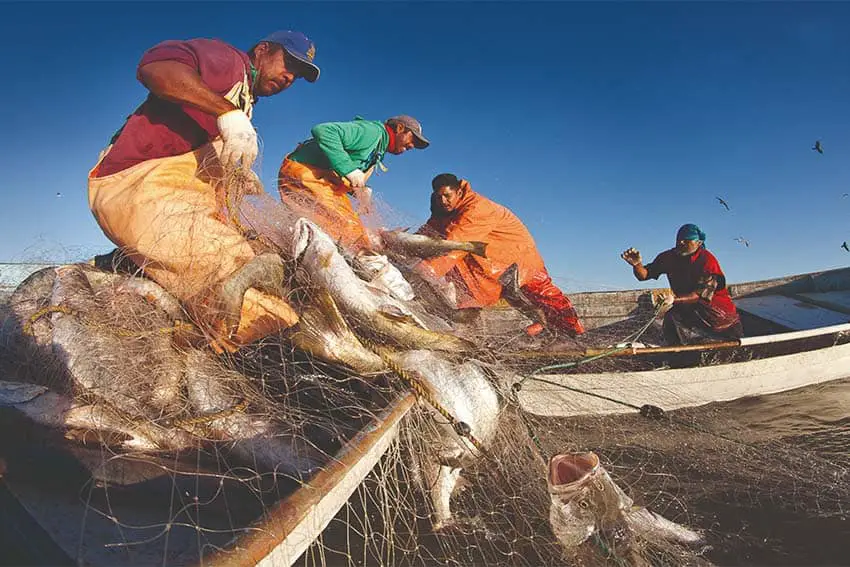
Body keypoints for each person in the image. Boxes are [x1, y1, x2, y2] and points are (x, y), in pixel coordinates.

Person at [87, 31, 320, 353]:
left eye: (298, 74)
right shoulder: (227, 61)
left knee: (264, 266)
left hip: (179, 194)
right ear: (263, 50)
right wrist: (227, 112)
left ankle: (127, 265)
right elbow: (156, 69)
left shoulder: (244, 99)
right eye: (289, 63)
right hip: (141, 184)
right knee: (249, 295)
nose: (290, 77)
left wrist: (235, 172)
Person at [414, 173, 584, 337]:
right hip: (492, 264)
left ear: (458, 192)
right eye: (438, 197)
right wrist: (401, 243)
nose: (443, 201)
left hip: (518, 257)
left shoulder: (477, 208)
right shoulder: (444, 209)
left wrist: (427, 270)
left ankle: (575, 334)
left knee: (543, 295)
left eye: (446, 195)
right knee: (516, 299)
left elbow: (456, 243)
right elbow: (431, 232)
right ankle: (545, 328)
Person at [278, 115, 429, 251]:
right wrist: (349, 170)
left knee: (356, 230)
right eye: (412, 139)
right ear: (400, 128)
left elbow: (346, 174)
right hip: (304, 172)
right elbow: (324, 130)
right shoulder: (372, 132)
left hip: (325, 182)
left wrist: (360, 192)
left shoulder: (379, 150)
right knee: (349, 231)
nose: (412, 146)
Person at [621, 223, 743, 345]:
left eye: (687, 240)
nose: (681, 242)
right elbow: (644, 275)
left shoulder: (707, 260)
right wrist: (637, 264)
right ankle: (675, 354)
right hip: (688, 309)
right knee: (671, 317)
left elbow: (700, 295)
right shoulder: (668, 258)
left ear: (699, 243)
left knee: (726, 341)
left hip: (718, 315)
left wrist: (673, 299)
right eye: (679, 239)